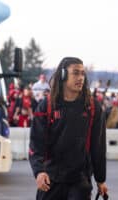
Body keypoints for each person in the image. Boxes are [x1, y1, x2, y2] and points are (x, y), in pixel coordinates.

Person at [29, 57, 108, 200]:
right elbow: (36, 144)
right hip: (50, 178)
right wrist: (39, 172)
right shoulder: (46, 106)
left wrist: (100, 179)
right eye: (76, 73)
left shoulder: (93, 107)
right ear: (63, 75)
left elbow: (99, 146)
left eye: (83, 73)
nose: (80, 78)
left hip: (80, 180)